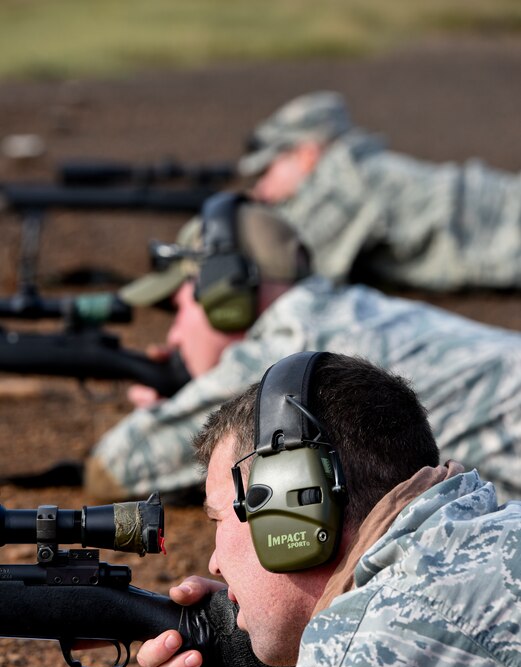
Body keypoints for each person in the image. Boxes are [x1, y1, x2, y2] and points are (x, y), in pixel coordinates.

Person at [136, 350, 521, 667]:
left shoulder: (410, 612)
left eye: (218, 518)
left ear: (293, 509)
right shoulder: (480, 540)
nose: (214, 563)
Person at [85, 194, 521, 505]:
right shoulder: (351, 307)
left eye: (179, 309)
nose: (175, 335)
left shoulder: (291, 347)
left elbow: (117, 467)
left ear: (225, 295)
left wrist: (169, 409)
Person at [238, 90, 521, 290]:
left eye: (268, 170)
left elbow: (293, 267)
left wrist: (251, 215)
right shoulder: (363, 166)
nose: (261, 184)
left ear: (307, 155)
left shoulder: (348, 180)